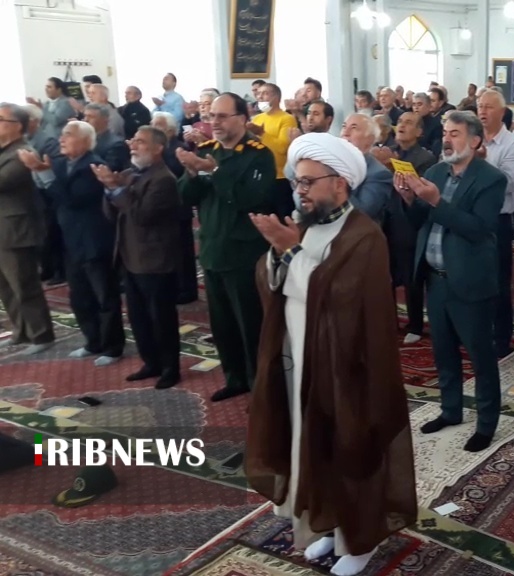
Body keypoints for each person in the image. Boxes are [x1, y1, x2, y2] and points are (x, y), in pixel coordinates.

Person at [246, 133, 416, 576]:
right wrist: (278, 254)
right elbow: (273, 282)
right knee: (313, 447)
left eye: (308, 182)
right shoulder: (306, 228)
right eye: (297, 182)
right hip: (301, 360)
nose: (299, 191)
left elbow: (341, 299)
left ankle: (359, 540)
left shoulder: (364, 235)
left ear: (340, 183)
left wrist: (291, 251)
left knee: (350, 451)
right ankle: (330, 523)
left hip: (348, 369)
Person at [396, 111, 505, 453]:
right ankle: (451, 410)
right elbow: (420, 220)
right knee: (443, 352)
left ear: (474, 140)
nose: (446, 139)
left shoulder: (491, 179)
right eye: (445, 132)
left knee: (480, 356)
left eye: (455, 133)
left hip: (469, 280)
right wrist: (409, 199)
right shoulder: (434, 172)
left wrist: (435, 201)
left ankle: (486, 424)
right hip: (436, 279)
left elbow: (478, 228)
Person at [175, 93, 277, 402]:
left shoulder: (259, 155)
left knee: (250, 325)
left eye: (222, 116)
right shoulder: (208, 150)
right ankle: (235, 378)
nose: (214, 122)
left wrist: (215, 172)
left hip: (243, 253)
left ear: (242, 119)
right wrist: (192, 173)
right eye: (212, 116)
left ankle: (260, 388)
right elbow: (185, 197)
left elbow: (250, 198)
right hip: (212, 250)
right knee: (222, 324)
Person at [20, 121, 125, 366]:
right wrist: (39, 172)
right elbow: (49, 195)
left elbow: (71, 200)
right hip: (70, 240)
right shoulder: (60, 163)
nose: (61, 139)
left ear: (85, 141)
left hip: (93, 240)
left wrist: (42, 172)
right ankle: (93, 341)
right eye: (62, 134)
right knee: (79, 296)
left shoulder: (93, 166)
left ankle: (112, 347)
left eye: (68, 135)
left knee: (104, 296)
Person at [95, 126, 182, 388]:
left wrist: (116, 189)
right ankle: (151, 362)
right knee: (138, 317)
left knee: (161, 318)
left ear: (158, 148)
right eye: (133, 140)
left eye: (141, 142)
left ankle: (170, 368)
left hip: (154, 260)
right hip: (129, 255)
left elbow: (142, 216)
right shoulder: (129, 174)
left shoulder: (163, 179)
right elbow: (112, 214)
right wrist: (110, 189)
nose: (133, 145)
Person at [0, 103, 55, 354]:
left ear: (17, 126)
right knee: (6, 286)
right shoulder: (4, 151)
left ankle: (41, 335)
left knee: (24, 285)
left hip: (16, 230)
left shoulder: (22, 153)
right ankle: (21, 330)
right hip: (4, 229)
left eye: (1, 119)